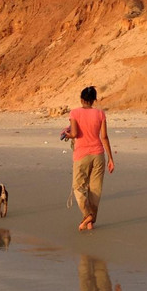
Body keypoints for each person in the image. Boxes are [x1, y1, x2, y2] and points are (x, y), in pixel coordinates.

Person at [63, 85, 115, 231]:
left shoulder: (74, 113)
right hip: (98, 154)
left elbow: (73, 134)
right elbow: (104, 137)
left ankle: (87, 215)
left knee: (78, 187)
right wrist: (111, 158)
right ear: (93, 100)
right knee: (95, 189)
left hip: (81, 155)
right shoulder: (100, 114)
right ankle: (90, 222)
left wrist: (66, 134)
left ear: (81, 99)